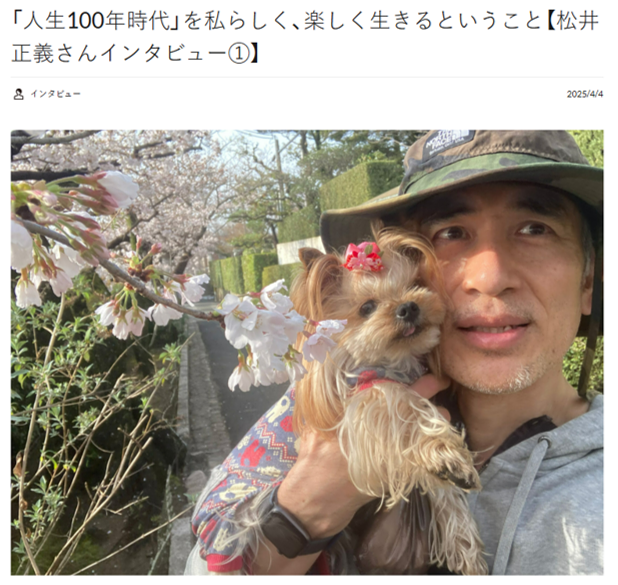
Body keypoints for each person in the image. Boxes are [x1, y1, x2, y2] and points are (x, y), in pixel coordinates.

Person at [185, 130, 603, 575]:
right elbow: (204, 558)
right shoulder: (333, 393)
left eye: (535, 229)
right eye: (451, 233)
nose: (490, 276)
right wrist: (302, 511)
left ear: (589, 281)